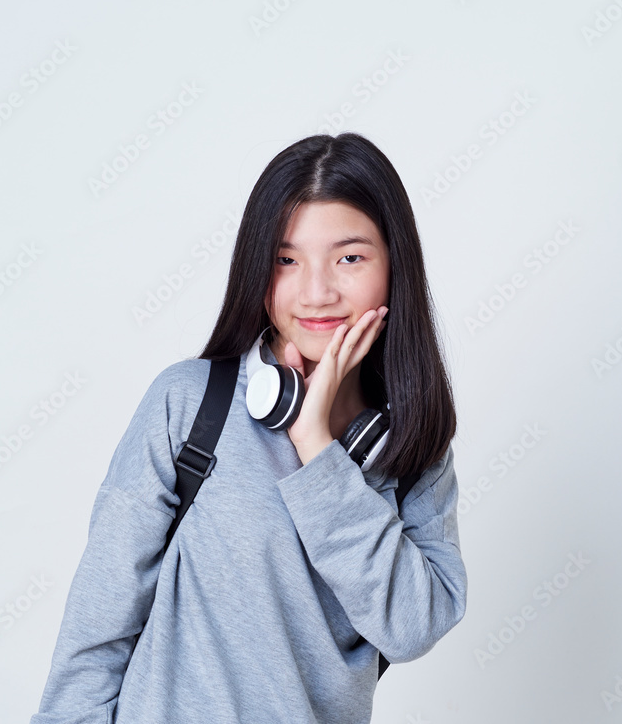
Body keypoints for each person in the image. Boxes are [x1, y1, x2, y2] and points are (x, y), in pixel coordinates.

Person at [29, 132, 467, 723]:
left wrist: (317, 448)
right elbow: (96, 630)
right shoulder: (190, 404)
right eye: (286, 260)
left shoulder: (413, 447)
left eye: (349, 258)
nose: (316, 292)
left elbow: (414, 626)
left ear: (395, 266)